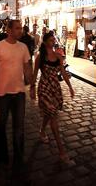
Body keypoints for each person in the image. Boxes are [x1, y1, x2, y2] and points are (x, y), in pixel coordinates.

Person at [0, 19, 35, 182]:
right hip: (2, 94)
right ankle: (4, 157)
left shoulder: (23, 47)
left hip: (19, 93)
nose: (20, 30)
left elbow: (27, 69)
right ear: (9, 30)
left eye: (21, 28)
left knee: (19, 129)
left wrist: (33, 86)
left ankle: (18, 159)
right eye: (17, 28)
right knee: (1, 127)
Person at [32, 32, 75, 163]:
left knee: (48, 114)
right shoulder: (40, 57)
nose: (53, 42)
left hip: (55, 88)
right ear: (45, 42)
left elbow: (63, 73)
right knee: (53, 115)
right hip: (44, 88)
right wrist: (32, 88)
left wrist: (70, 87)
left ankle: (42, 131)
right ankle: (62, 151)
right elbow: (34, 74)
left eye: (53, 40)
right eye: (50, 40)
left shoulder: (58, 56)